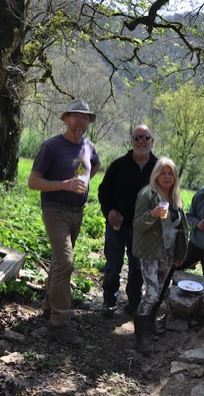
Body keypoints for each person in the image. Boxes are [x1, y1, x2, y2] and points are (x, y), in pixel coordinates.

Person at [28, 99, 100, 346]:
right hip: (54, 210)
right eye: (77, 116)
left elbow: (94, 165)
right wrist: (64, 185)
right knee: (66, 262)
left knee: (59, 261)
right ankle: (60, 324)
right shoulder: (51, 146)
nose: (81, 121)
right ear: (66, 118)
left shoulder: (88, 147)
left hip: (77, 212)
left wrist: (84, 181)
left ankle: (50, 306)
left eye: (85, 118)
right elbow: (33, 182)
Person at [98, 125, 157, 318]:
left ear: (152, 141)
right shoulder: (118, 165)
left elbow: (167, 194)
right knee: (113, 266)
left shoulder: (158, 168)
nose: (141, 141)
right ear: (131, 141)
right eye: (137, 138)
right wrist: (109, 211)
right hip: (117, 225)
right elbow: (103, 191)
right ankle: (109, 301)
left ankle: (133, 303)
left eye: (145, 138)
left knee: (137, 268)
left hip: (143, 228)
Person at [131, 157, 188, 355]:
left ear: (175, 177)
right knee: (151, 293)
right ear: (156, 174)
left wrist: (179, 253)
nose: (167, 177)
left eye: (170, 173)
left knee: (161, 290)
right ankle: (139, 337)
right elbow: (137, 224)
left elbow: (180, 228)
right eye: (163, 173)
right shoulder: (147, 194)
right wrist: (152, 214)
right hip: (149, 251)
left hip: (168, 253)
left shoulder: (176, 197)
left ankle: (150, 324)